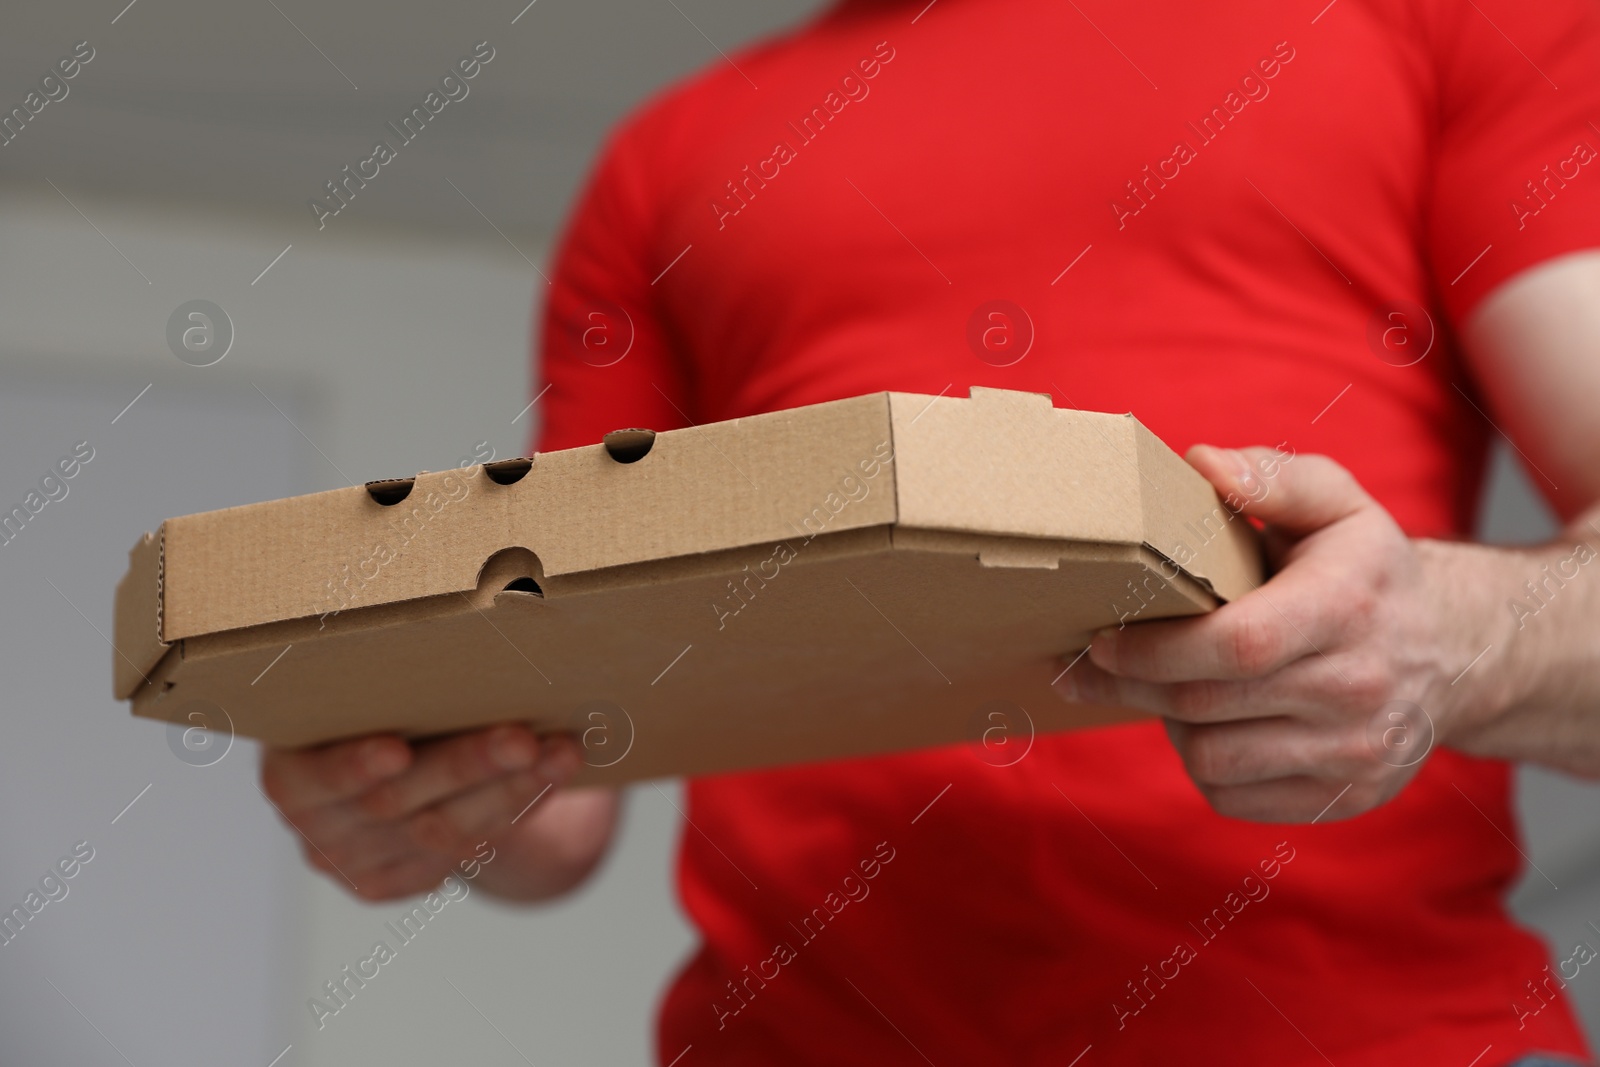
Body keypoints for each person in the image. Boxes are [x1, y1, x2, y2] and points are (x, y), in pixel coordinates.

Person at [261, 0, 1600, 1061]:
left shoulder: (1452, 12)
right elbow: (561, 771)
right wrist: (425, 790)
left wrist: (1454, 644)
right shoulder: (667, 160)